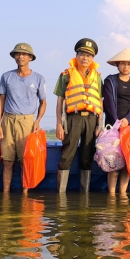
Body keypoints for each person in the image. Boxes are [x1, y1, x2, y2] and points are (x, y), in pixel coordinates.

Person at [0, 43, 47, 193]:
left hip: (27, 121)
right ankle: (5, 195)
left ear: (30, 57)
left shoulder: (38, 78)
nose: (21, 57)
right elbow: (1, 101)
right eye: (17, 54)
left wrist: (37, 121)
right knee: (7, 161)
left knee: (26, 160)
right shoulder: (6, 76)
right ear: (14, 57)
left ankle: (25, 194)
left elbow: (43, 102)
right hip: (8, 120)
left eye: (24, 54)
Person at [54, 38, 102, 193]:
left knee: (87, 155)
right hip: (72, 118)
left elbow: (100, 102)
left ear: (93, 58)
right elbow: (60, 101)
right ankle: (61, 194)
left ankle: (84, 195)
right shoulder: (66, 74)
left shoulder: (97, 76)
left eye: (89, 55)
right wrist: (59, 124)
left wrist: (99, 125)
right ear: (76, 55)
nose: (85, 58)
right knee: (67, 154)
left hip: (91, 119)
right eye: (82, 54)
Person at [102, 48, 130, 193]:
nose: (126, 67)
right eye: (123, 63)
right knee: (112, 159)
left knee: (127, 160)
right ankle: (112, 195)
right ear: (118, 65)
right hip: (112, 126)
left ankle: (122, 193)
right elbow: (107, 102)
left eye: (129, 64)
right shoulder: (110, 81)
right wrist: (117, 122)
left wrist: (127, 119)